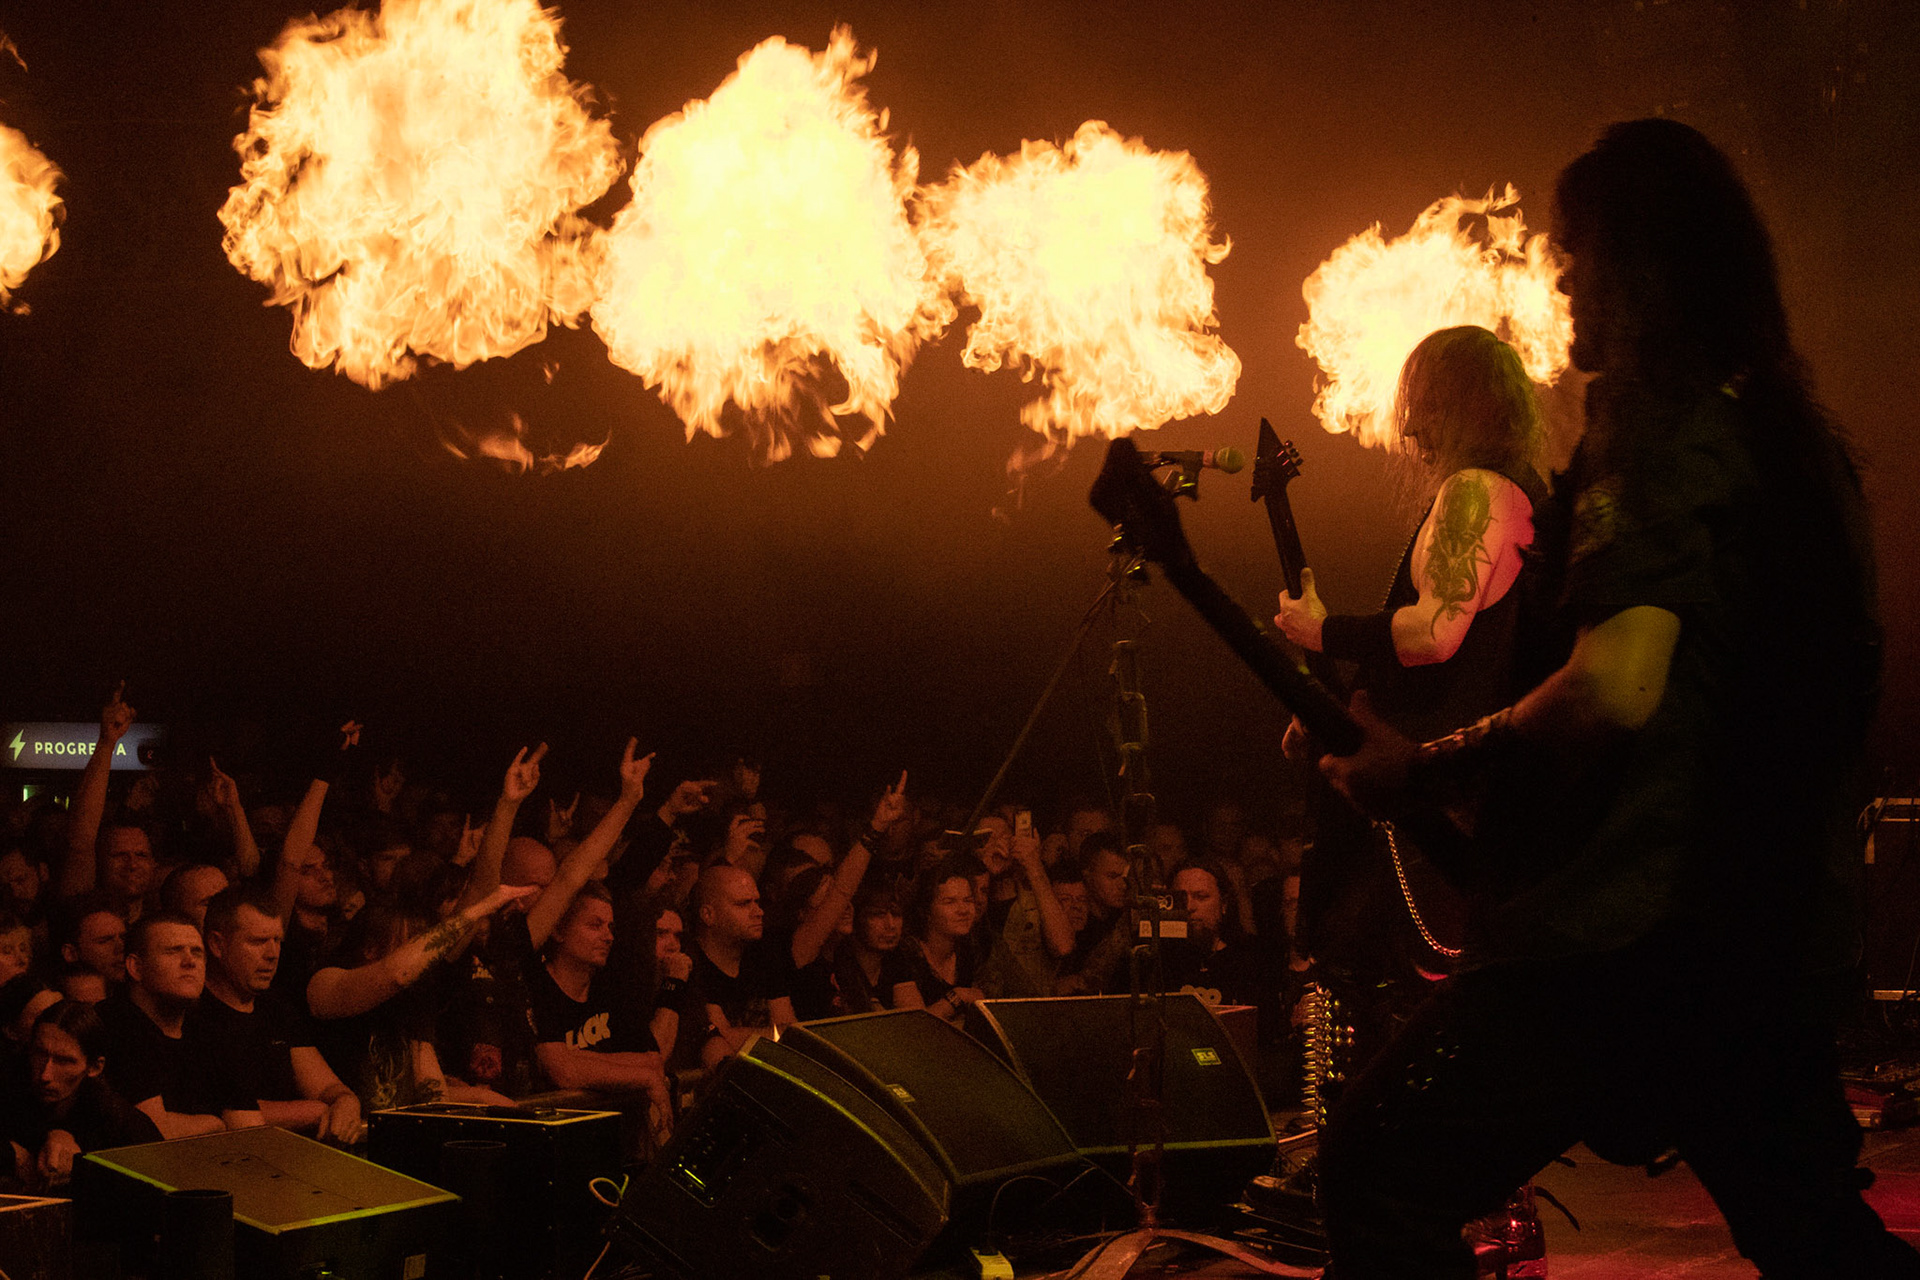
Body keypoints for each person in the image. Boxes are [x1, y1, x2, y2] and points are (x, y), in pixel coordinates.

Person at [1307, 119, 1916, 1279]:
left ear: (1641, 265)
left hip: (1628, 940)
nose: (1562, 280)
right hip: (1769, 933)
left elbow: (1619, 684)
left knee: (1377, 1167)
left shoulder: (1663, 429)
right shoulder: (1800, 446)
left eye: (1578, 254)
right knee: (1816, 1235)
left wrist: (1424, 769)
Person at [1276, 323, 1548, 1006]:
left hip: (1438, 801)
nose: (1410, 428)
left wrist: (1325, 630)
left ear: (1460, 403)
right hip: (1442, 794)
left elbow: (1434, 633)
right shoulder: (1497, 492)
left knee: (1400, 1008)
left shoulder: (1478, 491)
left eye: (1423, 403)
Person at [192, 885, 362, 1144]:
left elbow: (326, 1086)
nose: (272, 955)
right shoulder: (193, 1012)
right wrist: (312, 1111)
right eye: (258, 941)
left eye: (277, 941)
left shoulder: (275, 1006)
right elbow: (218, 1109)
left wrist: (346, 1101)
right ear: (217, 944)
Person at [526, 884, 671, 1141]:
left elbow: (651, 1059)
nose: (608, 936)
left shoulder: (610, 988)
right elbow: (562, 1071)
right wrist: (641, 1077)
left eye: (610, 928)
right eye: (595, 926)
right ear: (558, 930)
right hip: (549, 1139)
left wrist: (577, 1060)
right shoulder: (537, 987)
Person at [96, 912, 253, 1136]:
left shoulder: (210, 1033)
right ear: (136, 967)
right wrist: (215, 1124)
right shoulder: (114, 1023)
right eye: (173, 951)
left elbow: (248, 1127)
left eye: (197, 953)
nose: (189, 962)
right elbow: (154, 1132)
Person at [4, 1001, 159, 1188]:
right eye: (40, 1053)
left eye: (64, 1061)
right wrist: (12, 1154)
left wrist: (81, 1167)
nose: (46, 1074)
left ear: (94, 1067)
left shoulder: (121, 1126)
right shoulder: (10, 1091)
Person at [688, 864, 794, 1068]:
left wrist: (741, 1036)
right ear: (708, 914)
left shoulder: (762, 954)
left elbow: (790, 1030)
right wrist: (774, 1033)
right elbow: (720, 1037)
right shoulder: (694, 964)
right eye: (743, 904)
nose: (759, 912)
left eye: (757, 902)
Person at [904, 857, 984, 1024]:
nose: (963, 910)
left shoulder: (970, 950)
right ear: (926, 910)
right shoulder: (906, 955)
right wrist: (958, 996)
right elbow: (916, 1027)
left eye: (968, 900)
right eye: (950, 902)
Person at [833, 883, 919, 1014]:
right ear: (857, 917)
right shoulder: (838, 964)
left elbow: (917, 1020)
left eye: (896, 914)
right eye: (878, 915)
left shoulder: (897, 959)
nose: (890, 925)